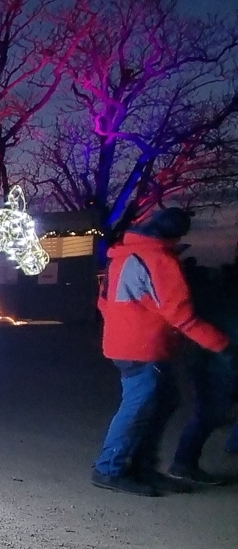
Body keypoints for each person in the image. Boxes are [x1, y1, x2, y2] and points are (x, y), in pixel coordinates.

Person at [92, 208, 230, 495]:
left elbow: (104, 304)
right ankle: (109, 469)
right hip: (146, 348)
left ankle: (139, 467)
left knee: (159, 402)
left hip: (126, 345)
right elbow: (182, 316)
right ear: (175, 236)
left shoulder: (121, 256)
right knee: (139, 407)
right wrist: (222, 345)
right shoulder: (159, 260)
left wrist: (126, 324)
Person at [170, 260, 238, 482]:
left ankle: (185, 463)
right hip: (220, 360)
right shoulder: (224, 292)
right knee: (208, 414)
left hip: (212, 358)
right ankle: (183, 463)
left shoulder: (217, 285)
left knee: (208, 413)